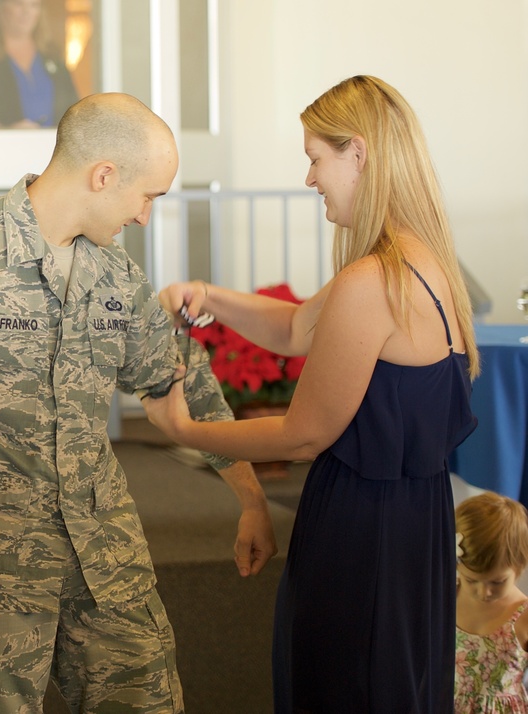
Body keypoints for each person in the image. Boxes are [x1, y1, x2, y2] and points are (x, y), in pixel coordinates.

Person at [0, 92, 276, 712]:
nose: (145, 217)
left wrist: (250, 498)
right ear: (104, 176)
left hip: (104, 557)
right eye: (148, 196)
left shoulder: (115, 275)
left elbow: (179, 381)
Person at [143, 75, 479, 713]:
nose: (309, 178)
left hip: (364, 528)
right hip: (415, 522)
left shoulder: (371, 277)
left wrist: (185, 430)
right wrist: (210, 296)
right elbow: (297, 327)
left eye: (315, 159)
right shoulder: (421, 260)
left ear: (357, 153)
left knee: (345, 686)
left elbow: (302, 433)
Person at [455, 492, 528, 713]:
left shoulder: (523, 614)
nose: (484, 591)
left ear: (519, 565)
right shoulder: (445, 598)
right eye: (471, 580)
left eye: (497, 582)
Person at [0, 0, 79, 129]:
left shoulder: (52, 56)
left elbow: (74, 110)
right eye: (18, 4)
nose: (26, 12)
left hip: (53, 145)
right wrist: (6, 130)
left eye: (34, 5)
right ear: (1, 8)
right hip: (5, 145)